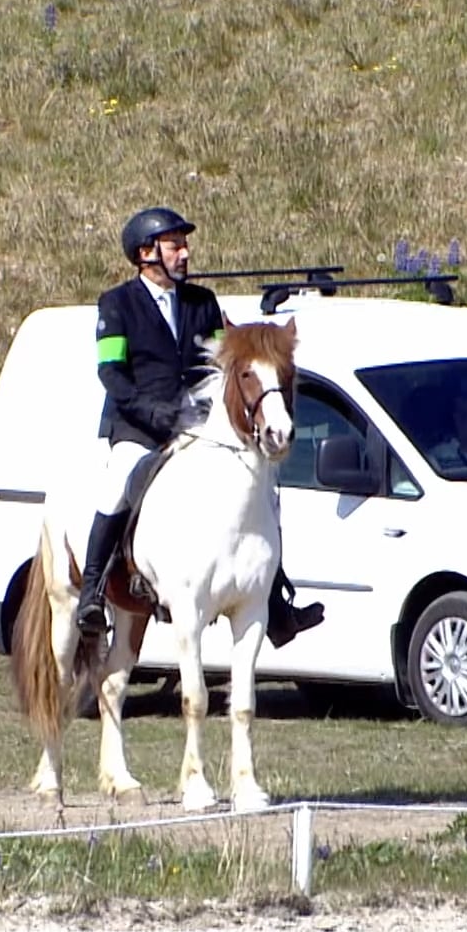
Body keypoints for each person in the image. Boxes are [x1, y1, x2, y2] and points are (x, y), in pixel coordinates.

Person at [75, 206, 325, 647]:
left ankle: (276, 602)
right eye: (175, 246)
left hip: (194, 426)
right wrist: (152, 412)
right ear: (146, 253)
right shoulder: (116, 304)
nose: (185, 253)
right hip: (137, 427)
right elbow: (111, 373)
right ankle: (92, 593)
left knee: (261, 492)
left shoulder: (203, 303)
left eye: (184, 245)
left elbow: (223, 366)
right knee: (118, 485)